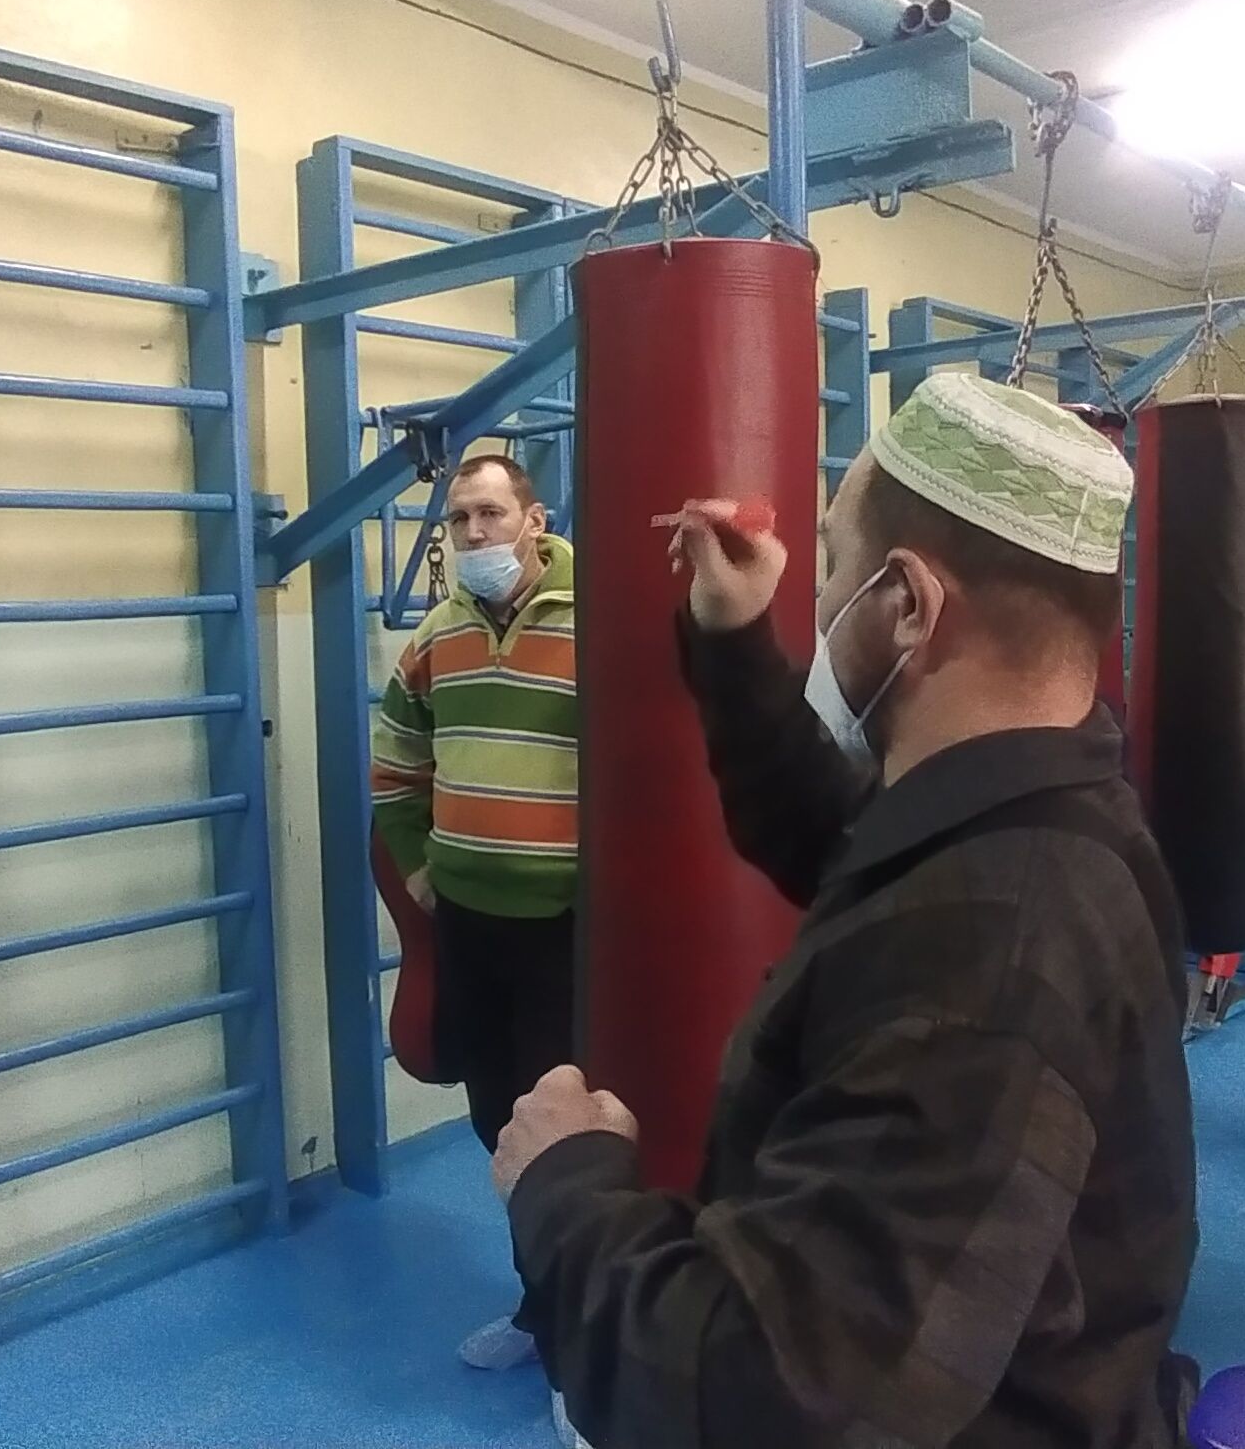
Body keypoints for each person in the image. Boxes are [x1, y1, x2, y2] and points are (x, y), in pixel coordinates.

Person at [492, 372, 1201, 1448]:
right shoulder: (1040, 807)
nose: (821, 602)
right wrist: (735, 637)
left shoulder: (995, 947)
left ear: (908, 603)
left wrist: (566, 1182)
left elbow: (772, 1398)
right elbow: (847, 842)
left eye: (834, 564)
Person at [369, 450, 581, 1372]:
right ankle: (542, 1308)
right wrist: (420, 867)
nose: (474, 533)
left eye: (491, 513)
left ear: (534, 521)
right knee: (496, 1124)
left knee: (566, 1138)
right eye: (459, 519)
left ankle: (583, 1337)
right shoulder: (437, 635)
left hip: (568, 930)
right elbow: (394, 764)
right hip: (468, 924)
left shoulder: (597, 620)